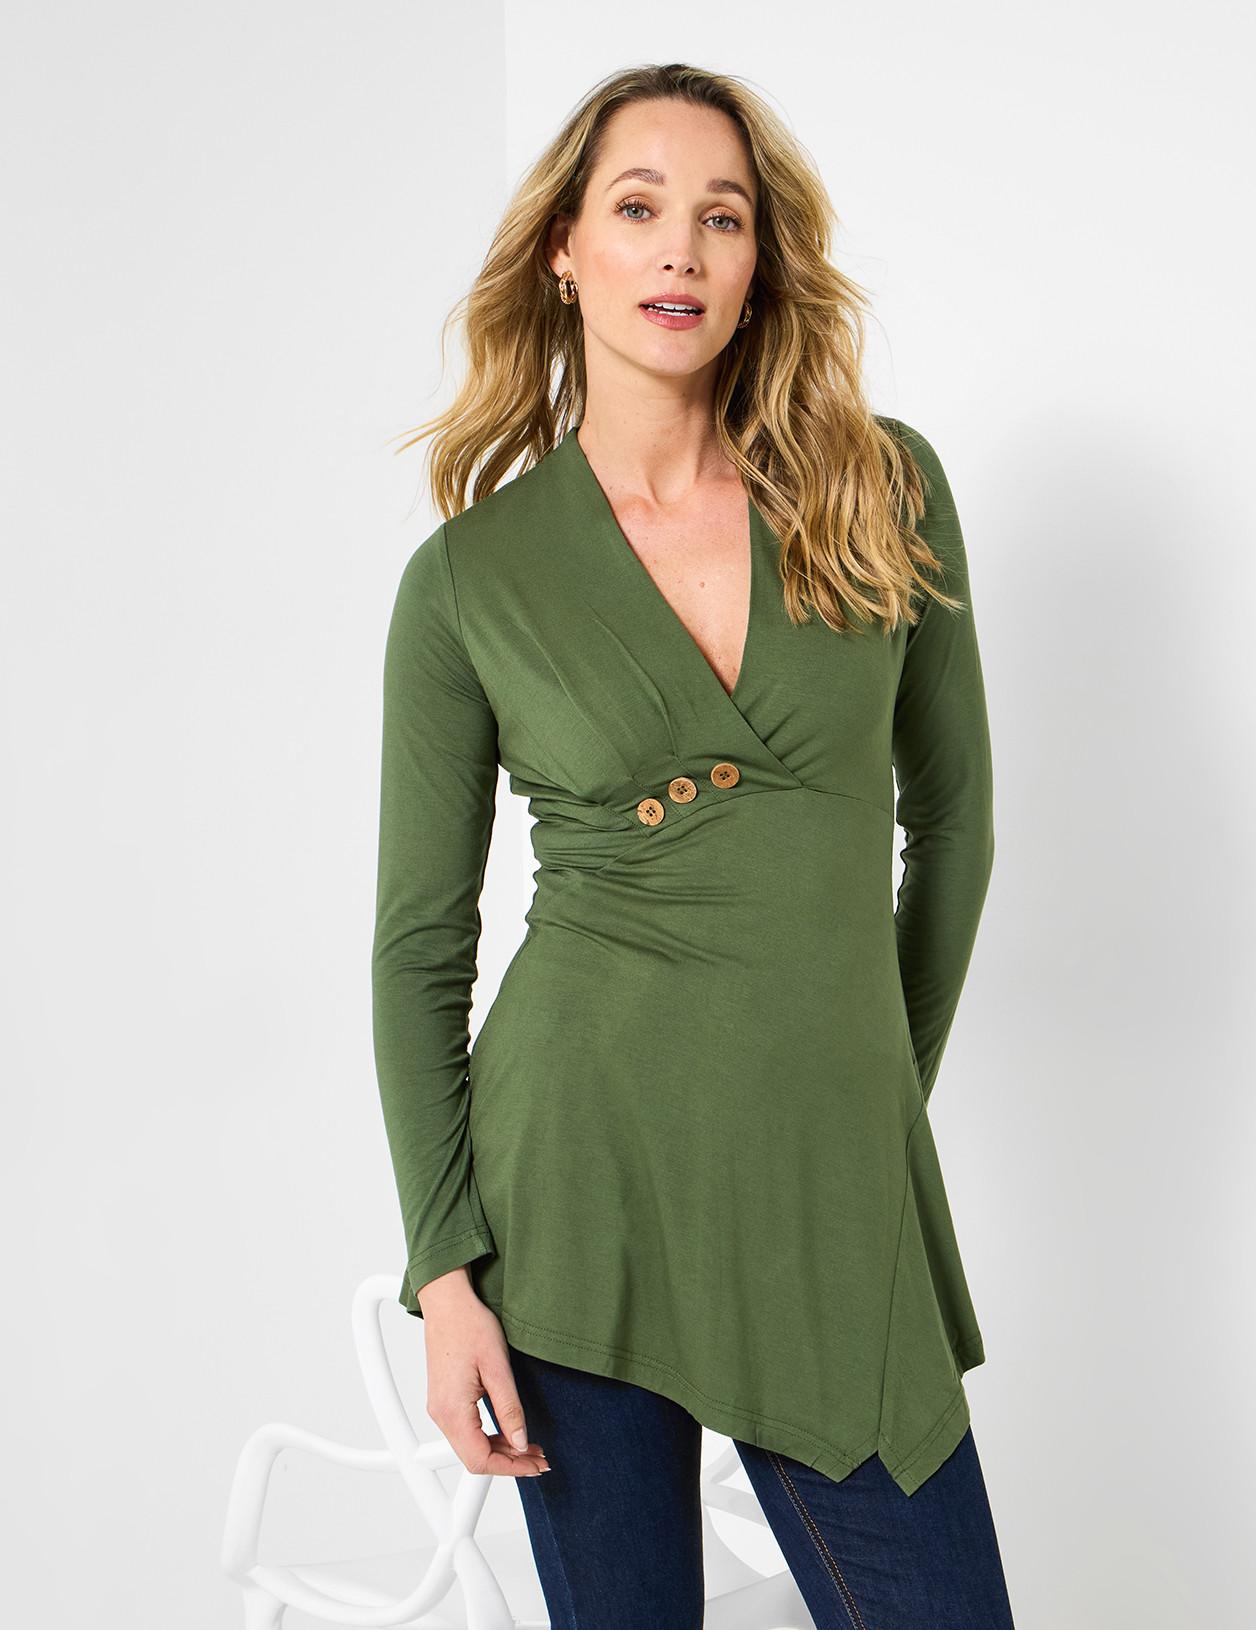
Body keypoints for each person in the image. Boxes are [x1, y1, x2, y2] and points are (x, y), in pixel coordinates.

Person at [371, 61, 1013, 1629]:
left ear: (759, 259)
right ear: (564, 252)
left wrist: (860, 1096)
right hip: (571, 1193)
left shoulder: (882, 486)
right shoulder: (467, 582)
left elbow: (958, 828)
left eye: (722, 217)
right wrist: (446, 1273)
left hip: (824, 1193)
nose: (681, 248)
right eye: (639, 208)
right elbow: (419, 947)